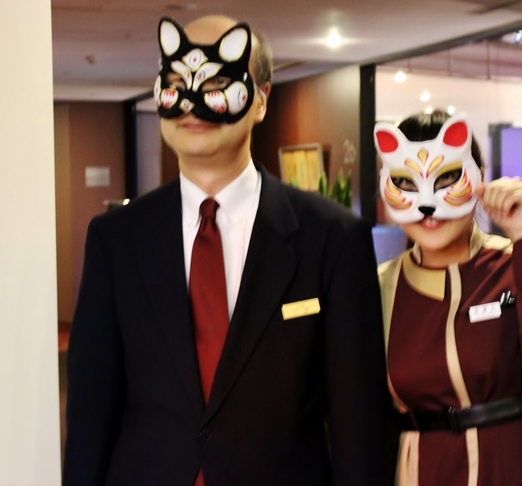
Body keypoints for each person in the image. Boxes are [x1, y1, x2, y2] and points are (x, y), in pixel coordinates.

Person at [63, 14, 389, 486]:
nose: (193, 102)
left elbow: (359, 425)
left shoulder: (333, 238)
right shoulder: (115, 240)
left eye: (217, 83)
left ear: (260, 100)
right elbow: (91, 411)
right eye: (177, 84)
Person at [374, 109, 522, 485]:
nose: (428, 206)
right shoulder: (380, 287)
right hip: (426, 471)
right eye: (406, 184)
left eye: (447, 179)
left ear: (478, 177)